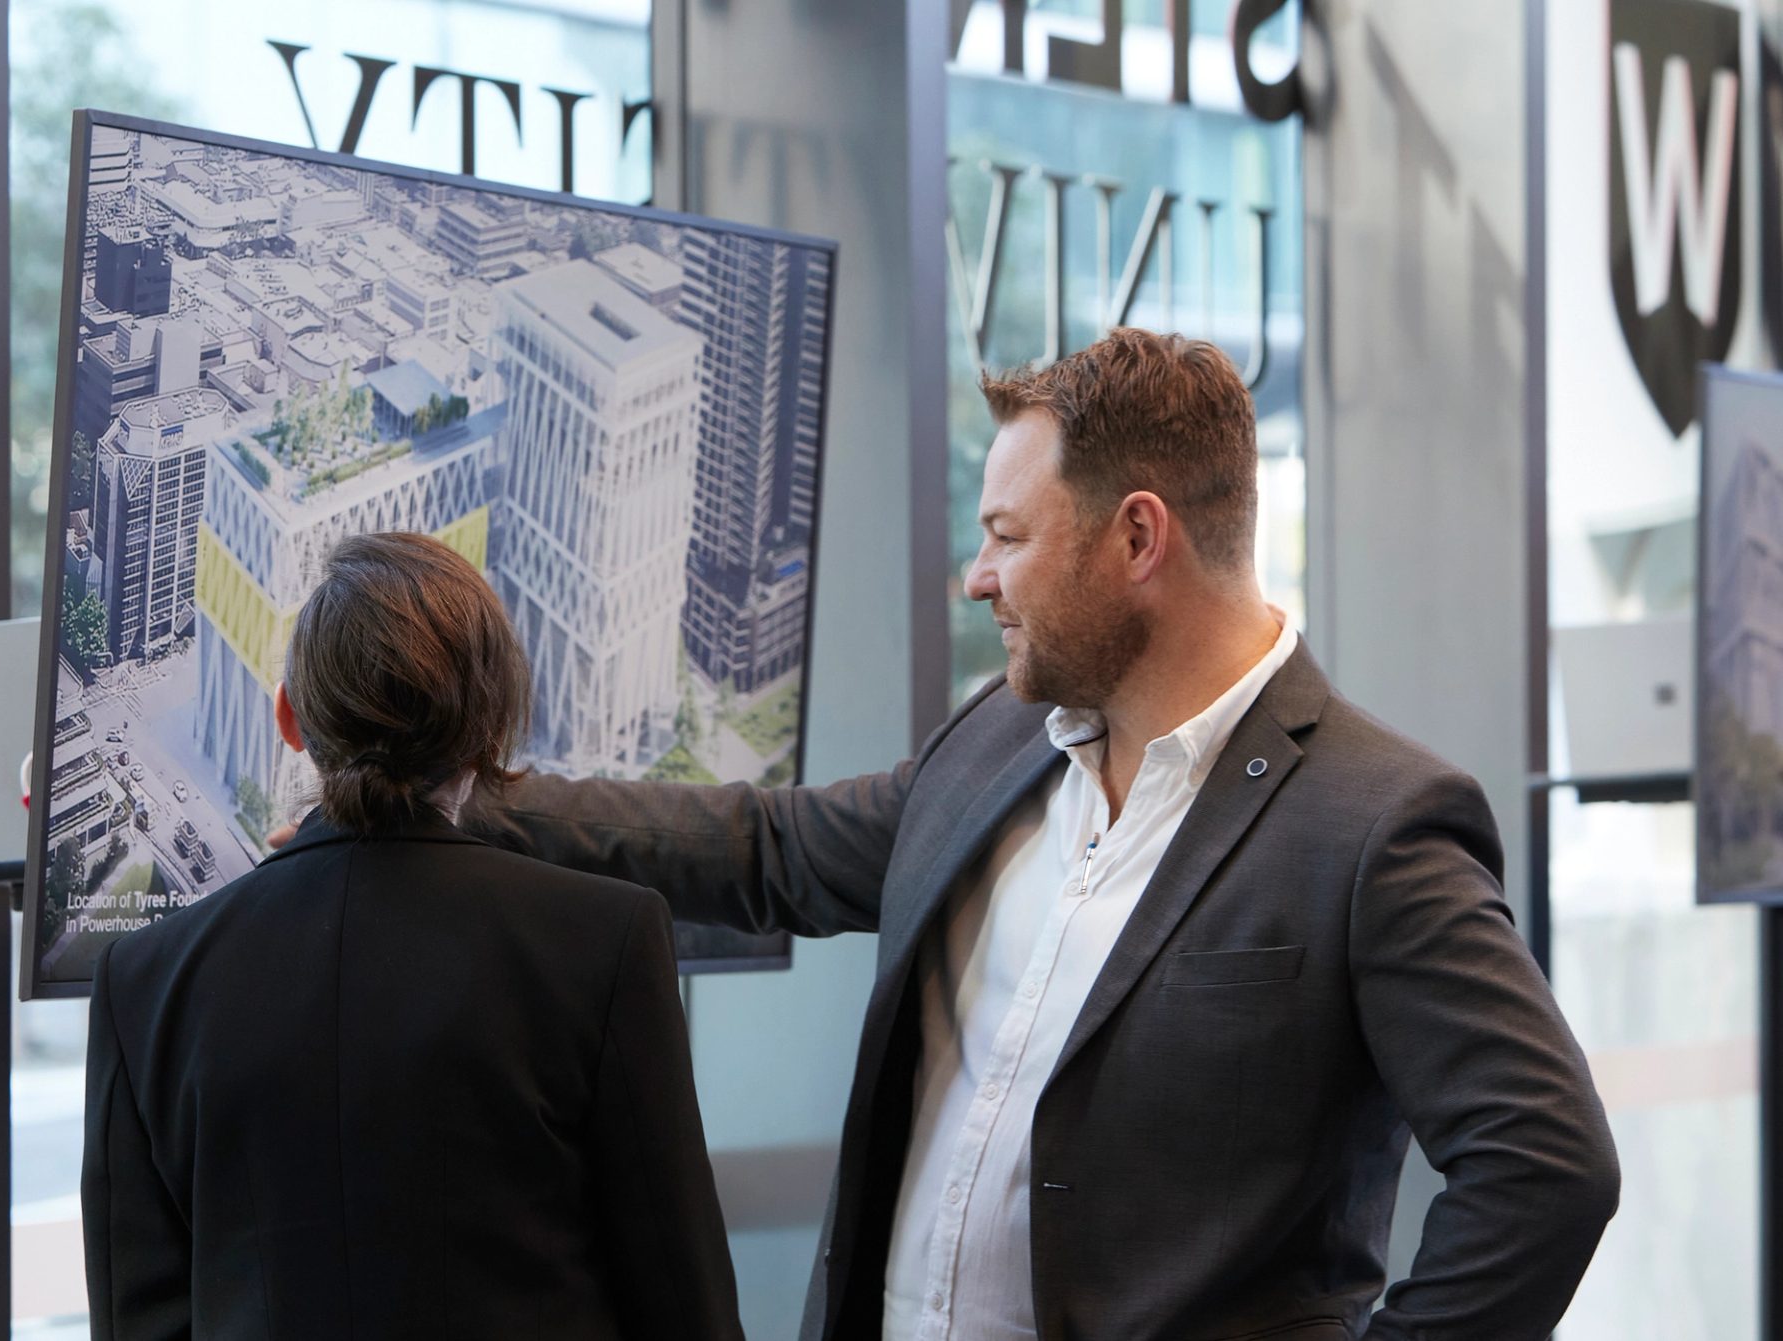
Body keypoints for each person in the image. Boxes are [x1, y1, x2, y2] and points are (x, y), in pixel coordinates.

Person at [474, 329, 1620, 1340]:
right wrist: (467, 802)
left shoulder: (1376, 824)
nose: (979, 580)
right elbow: (768, 851)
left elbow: (1547, 1167)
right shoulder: (997, 746)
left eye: (1008, 537)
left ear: (1136, 539)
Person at [81, 532, 742, 1341]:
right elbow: (683, 1306)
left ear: (291, 716)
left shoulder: (144, 980)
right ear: (488, 730)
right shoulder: (605, 942)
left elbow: (138, 1321)